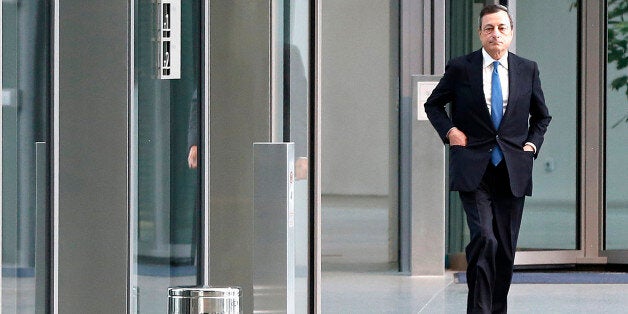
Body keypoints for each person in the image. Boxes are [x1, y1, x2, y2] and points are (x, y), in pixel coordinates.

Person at [424, 4, 551, 313]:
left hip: (512, 168)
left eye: (501, 28)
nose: (496, 34)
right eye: (489, 28)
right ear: (480, 33)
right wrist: (451, 131)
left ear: (510, 32)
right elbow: (433, 105)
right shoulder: (461, 68)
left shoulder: (527, 69)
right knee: (485, 239)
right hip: (473, 167)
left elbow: (542, 117)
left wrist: (532, 146)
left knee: (505, 250)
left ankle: (496, 309)